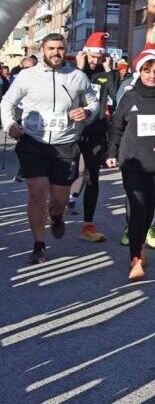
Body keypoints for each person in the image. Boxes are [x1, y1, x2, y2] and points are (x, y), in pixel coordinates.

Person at [0, 33, 99, 263]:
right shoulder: (27, 76)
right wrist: (9, 123)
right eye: (51, 48)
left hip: (65, 144)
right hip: (33, 142)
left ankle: (56, 216)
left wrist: (87, 112)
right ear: (43, 50)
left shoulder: (78, 77)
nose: (56, 52)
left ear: (66, 51)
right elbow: (7, 102)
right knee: (36, 192)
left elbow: (94, 102)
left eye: (60, 48)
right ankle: (39, 244)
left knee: (59, 199)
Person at [106, 52, 155, 280]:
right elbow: (116, 127)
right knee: (137, 208)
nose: (152, 75)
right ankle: (136, 258)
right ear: (139, 73)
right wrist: (112, 152)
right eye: (147, 71)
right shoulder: (130, 97)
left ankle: (139, 244)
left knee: (149, 209)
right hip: (133, 162)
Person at [68, 32, 117, 242]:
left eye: (99, 57)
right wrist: (79, 69)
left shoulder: (106, 74)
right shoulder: (74, 72)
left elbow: (117, 97)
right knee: (66, 174)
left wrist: (109, 71)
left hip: (96, 132)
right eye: (92, 57)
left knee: (92, 178)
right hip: (71, 132)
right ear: (84, 54)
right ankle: (58, 209)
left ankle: (88, 224)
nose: (95, 61)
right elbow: (68, 95)